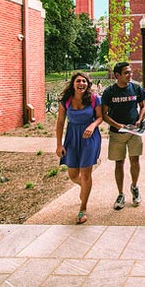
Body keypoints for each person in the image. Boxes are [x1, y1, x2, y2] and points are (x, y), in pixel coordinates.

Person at [55, 72, 103, 224]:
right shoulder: (66, 101)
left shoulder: (94, 99)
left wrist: (92, 125)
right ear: (73, 83)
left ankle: (83, 209)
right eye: (78, 81)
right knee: (73, 175)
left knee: (86, 173)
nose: (81, 84)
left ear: (87, 84)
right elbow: (60, 122)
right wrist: (59, 144)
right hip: (72, 138)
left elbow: (100, 117)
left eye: (84, 81)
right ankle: (85, 188)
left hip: (90, 138)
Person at [101, 62, 145, 210]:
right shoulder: (110, 92)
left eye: (130, 72)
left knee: (135, 160)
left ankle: (134, 187)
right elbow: (104, 114)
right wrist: (117, 125)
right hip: (117, 134)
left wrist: (140, 120)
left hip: (134, 132)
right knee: (119, 163)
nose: (130, 75)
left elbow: (143, 106)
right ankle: (120, 194)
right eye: (126, 73)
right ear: (117, 75)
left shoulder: (136, 88)